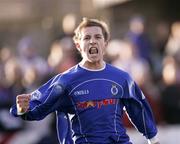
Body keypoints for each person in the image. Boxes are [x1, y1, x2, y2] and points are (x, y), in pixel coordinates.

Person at [10, 18, 160, 144]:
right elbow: (38, 107)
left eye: (97, 37)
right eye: (87, 38)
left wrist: (153, 140)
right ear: (78, 45)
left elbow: (139, 111)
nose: (92, 41)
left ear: (105, 44)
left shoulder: (122, 78)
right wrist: (22, 108)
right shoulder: (65, 81)